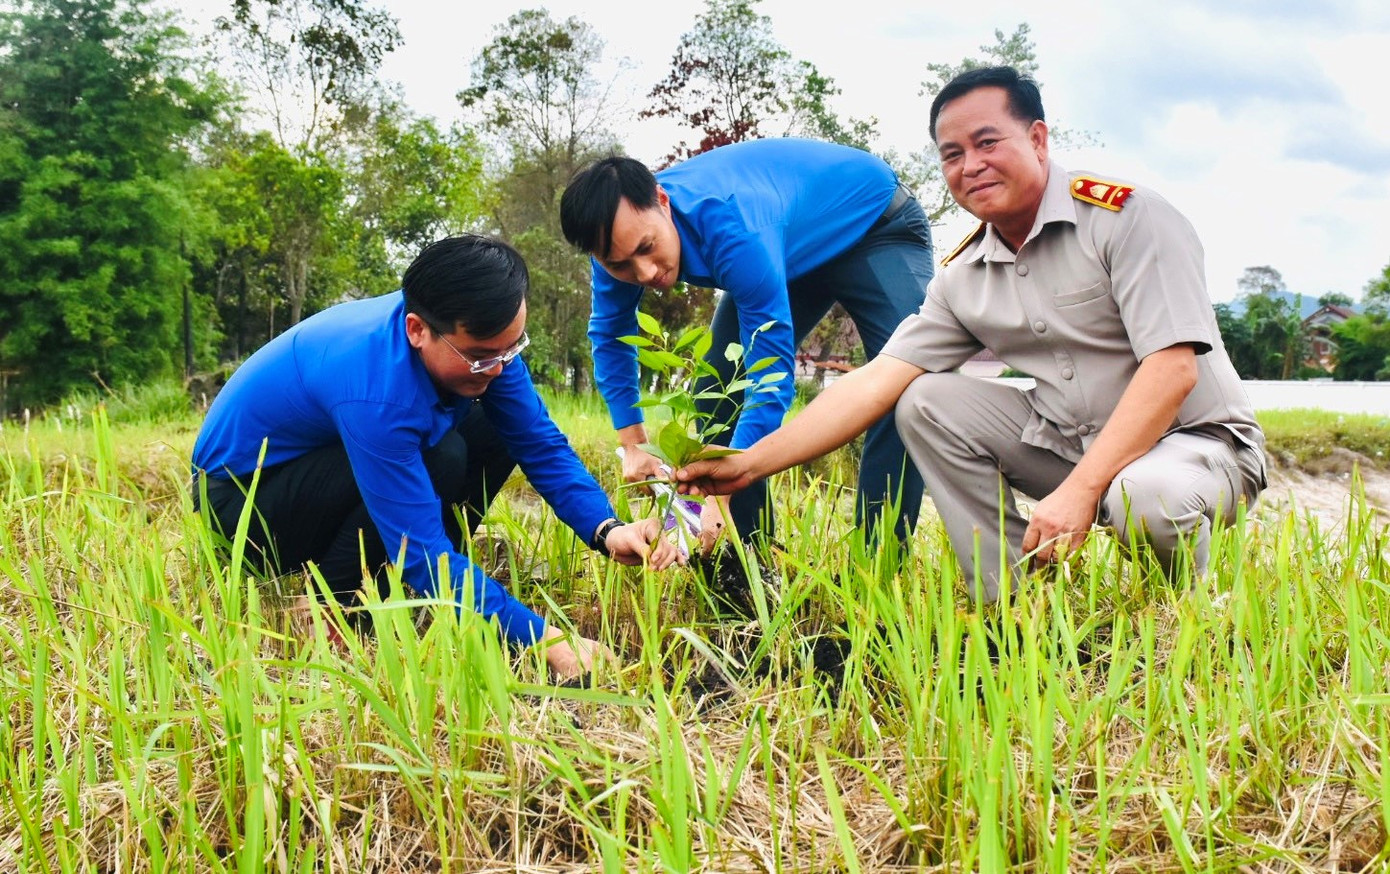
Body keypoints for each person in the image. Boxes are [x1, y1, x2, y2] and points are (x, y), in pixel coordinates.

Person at [675, 66, 1266, 599]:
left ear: (1037, 139)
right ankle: (1012, 605)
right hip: (1073, 446)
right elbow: (875, 381)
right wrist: (748, 464)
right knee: (923, 399)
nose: (970, 165)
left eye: (987, 142)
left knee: (1145, 496)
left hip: (1195, 444)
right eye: (951, 154)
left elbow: (1173, 369)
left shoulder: (1128, 217)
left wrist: (1082, 491)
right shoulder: (963, 276)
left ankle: (1189, 615)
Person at [192, 235, 682, 679]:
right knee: (438, 458)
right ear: (416, 330)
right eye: (482, 355)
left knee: (493, 425)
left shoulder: (485, 345)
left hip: (318, 463)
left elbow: (540, 443)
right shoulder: (374, 390)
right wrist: (547, 641)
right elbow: (421, 549)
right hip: (244, 504)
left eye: (512, 348)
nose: (498, 365)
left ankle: (431, 587)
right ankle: (332, 604)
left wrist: (608, 529)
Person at [559, 139, 935, 552]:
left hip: (874, 224)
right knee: (716, 387)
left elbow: (770, 374)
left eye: (647, 249)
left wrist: (725, 491)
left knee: (907, 386)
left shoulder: (733, 225)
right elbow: (611, 336)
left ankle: (877, 564)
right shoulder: (614, 241)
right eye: (620, 264)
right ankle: (748, 560)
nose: (645, 272)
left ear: (662, 202)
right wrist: (632, 444)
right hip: (789, 250)